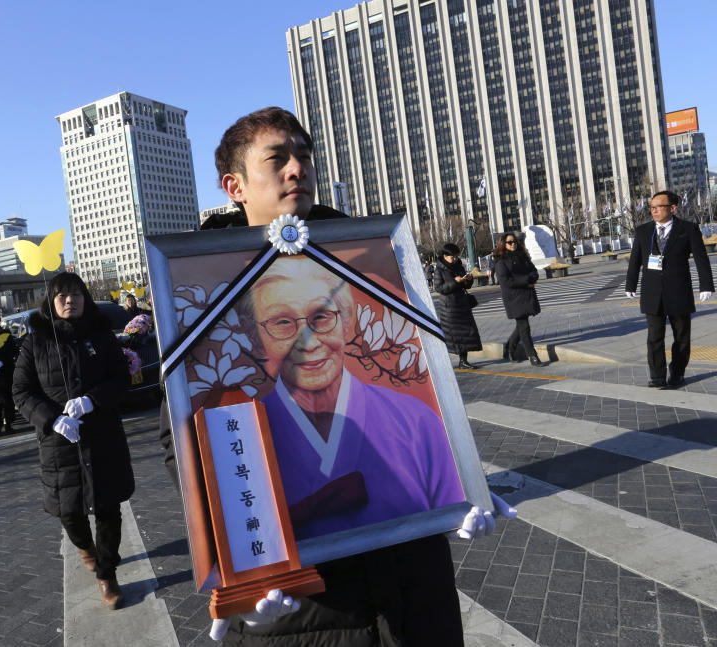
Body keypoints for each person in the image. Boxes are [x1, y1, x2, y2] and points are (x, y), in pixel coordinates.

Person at [157, 107, 513, 645]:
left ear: (348, 318)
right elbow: (184, 451)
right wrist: (237, 572)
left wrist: (462, 490)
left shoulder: (369, 264)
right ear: (234, 186)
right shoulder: (203, 301)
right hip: (307, 611)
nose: (296, 169)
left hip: (415, 595)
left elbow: (430, 395)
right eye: (276, 159)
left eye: (303, 156)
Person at [235, 256, 465, 540]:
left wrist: (465, 506)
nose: (307, 342)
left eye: (321, 317)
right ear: (255, 335)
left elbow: (451, 504)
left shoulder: (416, 421)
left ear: (345, 321)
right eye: (282, 322)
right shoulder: (242, 437)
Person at [12, 271, 134, 610]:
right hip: (60, 443)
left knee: (108, 509)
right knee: (70, 512)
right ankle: (85, 547)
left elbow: (121, 378)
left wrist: (93, 399)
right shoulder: (34, 340)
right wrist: (53, 419)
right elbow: (21, 391)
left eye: (77, 294)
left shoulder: (102, 334)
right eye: (63, 295)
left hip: (103, 437)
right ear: (51, 301)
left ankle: (107, 575)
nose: (70, 300)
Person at [625, 190, 714, 388]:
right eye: (652, 207)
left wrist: (706, 285)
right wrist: (630, 284)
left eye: (658, 207)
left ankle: (677, 373)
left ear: (672, 208)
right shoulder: (643, 231)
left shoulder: (688, 229)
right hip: (652, 292)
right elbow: (635, 260)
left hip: (679, 291)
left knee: (681, 337)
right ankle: (657, 376)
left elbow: (701, 258)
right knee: (654, 337)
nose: (654, 211)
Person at [493, 234, 544, 366]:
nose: (513, 244)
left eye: (515, 241)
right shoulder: (500, 261)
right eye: (509, 242)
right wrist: (527, 281)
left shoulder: (522, 255)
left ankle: (509, 348)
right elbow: (506, 281)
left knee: (521, 326)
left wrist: (533, 278)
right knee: (524, 326)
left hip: (526, 294)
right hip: (514, 297)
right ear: (503, 244)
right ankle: (532, 356)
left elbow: (533, 271)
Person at [433, 242, 483, 369]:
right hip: (449, 307)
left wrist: (468, 280)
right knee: (455, 335)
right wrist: (454, 282)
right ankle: (448, 361)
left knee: (465, 333)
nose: (455, 259)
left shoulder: (459, 266)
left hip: (462, 304)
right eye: (452, 257)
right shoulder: (439, 269)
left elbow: (466, 286)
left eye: (456, 256)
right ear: (444, 256)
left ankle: (464, 361)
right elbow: (439, 288)